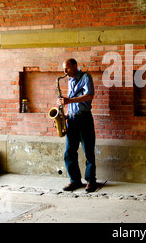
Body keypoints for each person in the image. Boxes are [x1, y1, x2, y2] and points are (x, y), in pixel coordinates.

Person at [57, 58, 97, 192]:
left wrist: (69, 100)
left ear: (75, 66)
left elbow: (89, 95)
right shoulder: (70, 80)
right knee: (69, 152)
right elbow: (72, 102)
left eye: (67, 68)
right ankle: (74, 181)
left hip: (84, 118)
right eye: (64, 69)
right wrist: (65, 115)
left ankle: (91, 181)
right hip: (72, 120)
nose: (65, 71)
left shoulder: (86, 77)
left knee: (88, 152)